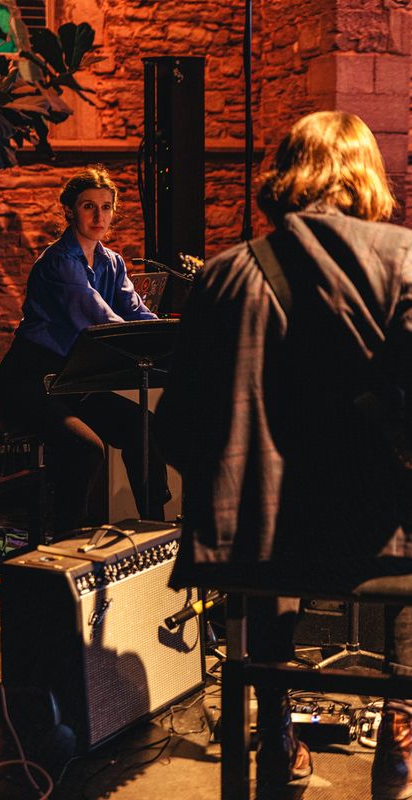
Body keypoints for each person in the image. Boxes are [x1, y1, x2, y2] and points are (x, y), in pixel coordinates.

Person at [155, 111, 412, 799]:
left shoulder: (223, 274)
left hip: (253, 543)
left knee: (267, 537)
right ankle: (400, 734)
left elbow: (176, 426)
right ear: (368, 177)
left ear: (288, 173)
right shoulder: (405, 260)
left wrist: (237, 484)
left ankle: (275, 734)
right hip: (379, 539)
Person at [0, 165, 170, 534]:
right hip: (27, 382)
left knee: (146, 429)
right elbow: (100, 319)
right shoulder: (59, 261)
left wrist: (171, 338)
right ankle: (65, 540)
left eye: (106, 207)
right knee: (85, 448)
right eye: (89, 206)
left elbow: (136, 313)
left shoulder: (112, 262)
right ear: (70, 211)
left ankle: (156, 531)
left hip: (72, 382)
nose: (98, 216)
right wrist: (146, 342)